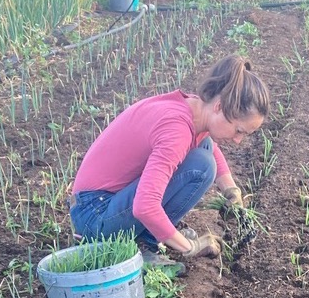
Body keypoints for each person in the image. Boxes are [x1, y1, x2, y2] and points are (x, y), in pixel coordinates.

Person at [69, 55, 269, 274]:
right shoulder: (176, 130)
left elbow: (209, 144)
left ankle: (147, 235)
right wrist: (191, 247)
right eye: (239, 130)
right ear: (219, 107)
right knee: (201, 166)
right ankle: (143, 246)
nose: (238, 140)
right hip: (94, 217)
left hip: (99, 203)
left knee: (203, 151)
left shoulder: (194, 109)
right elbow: (144, 206)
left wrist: (231, 190)